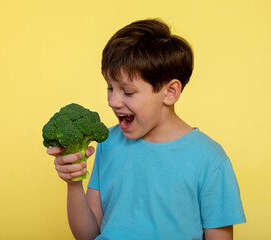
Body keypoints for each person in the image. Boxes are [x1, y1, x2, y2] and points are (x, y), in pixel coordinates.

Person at [47, 18, 246, 240]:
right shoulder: (108, 144)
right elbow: (88, 235)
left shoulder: (209, 160)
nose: (113, 101)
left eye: (128, 92)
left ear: (170, 92)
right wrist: (74, 185)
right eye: (110, 88)